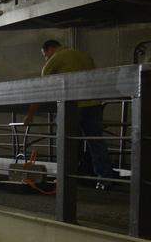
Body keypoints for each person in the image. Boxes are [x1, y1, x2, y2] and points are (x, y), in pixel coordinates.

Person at [24, 40, 116, 188]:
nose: (46, 58)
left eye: (45, 55)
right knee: (96, 142)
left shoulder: (55, 59)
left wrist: (30, 114)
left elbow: (41, 89)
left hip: (72, 107)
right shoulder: (84, 55)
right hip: (94, 104)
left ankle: (65, 179)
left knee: (66, 142)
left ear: (49, 49)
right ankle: (105, 178)